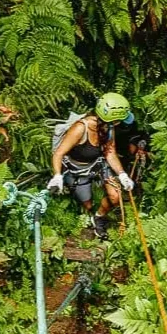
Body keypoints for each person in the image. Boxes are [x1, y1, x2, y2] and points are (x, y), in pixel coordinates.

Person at [46, 93, 136, 238]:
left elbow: (110, 152)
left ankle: (99, 217)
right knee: (87, 204)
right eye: (120, 120)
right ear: (113, 119)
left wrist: (122, 174)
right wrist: (57, 176)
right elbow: (59, 153)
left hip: (98, 164)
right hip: (76, 169)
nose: (121, 123)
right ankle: (88, 207)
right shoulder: (80, 128)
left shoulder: (109, 128)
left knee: (116, 197)